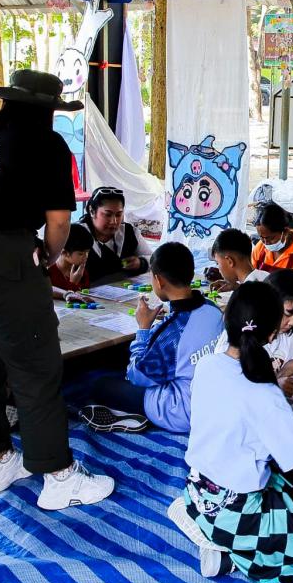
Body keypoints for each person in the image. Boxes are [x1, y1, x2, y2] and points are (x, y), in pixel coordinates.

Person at [0, 68, 114, 511]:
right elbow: (59, 223)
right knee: (34, 365)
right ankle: (57, 476)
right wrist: (47, 258)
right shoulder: (46, 142)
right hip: (0, 253)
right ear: (47, 110)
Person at [171, 281, 293, 579]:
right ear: (271, 334)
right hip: (239, 516)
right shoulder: (265, 394)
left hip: (198, 494)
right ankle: (235, 556)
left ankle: (208, 529)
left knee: (282, 484)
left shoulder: (207, 364)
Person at [81, 242, 224, 435]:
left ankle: (129, 415)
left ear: (158, 280)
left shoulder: (172, 333)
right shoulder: (212, 308)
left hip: (183, 412)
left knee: (98, 385)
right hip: (214, 401)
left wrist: (143, 328)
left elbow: (137, 377)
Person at [76, 186, 154, 284]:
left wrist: (141, 263)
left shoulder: (129, 232)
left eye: (118, 214)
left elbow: (153, 259)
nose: (114, 221)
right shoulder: (77, 234)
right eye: (108, 215)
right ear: (92, 211)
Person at [47, 223, 92, 303]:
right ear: (64, 252)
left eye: (87, 252)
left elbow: (85, 294)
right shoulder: (49, 272)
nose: (86, 256)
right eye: (81, 254)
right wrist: (73, 283)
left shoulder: (79, 270)